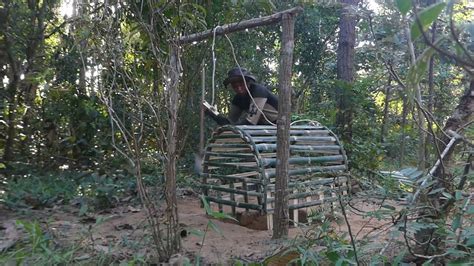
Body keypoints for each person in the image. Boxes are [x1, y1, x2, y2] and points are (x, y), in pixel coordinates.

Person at [205, 67, 278, 125]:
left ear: (248, 82)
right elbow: (229, 122)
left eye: (241, 84)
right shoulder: (237, 99)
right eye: (235, 86)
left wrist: (233, 126)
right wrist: (211, 113)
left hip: (276, 124)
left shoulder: (258, 91)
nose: (239, 89)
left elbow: (251, 122)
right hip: (261, 126)